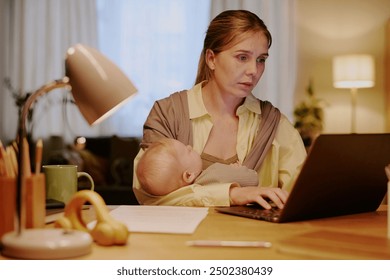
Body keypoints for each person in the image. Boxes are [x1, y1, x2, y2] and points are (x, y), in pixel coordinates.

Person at [133, 9, 307, 209]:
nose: (254, 71)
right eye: (242, 57)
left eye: (261, 60)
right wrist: (231, 194)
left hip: (255, 238)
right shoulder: (167, 114)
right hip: (182, 239)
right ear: (211, 59)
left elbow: (302, 197)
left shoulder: (275, 124)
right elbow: (150, 197)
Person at [136, 138, 259, 196]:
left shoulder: (179, 200)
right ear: (188, 175)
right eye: (187, 151)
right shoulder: (215, 173)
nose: (189, 146)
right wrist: (238, 170)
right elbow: (253, 179)